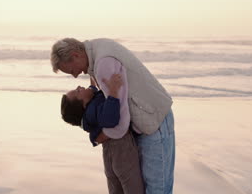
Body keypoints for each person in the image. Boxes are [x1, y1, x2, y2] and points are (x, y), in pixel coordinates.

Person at [51, 38, 175, 194]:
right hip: (148, 120)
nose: (75, 76)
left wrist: (99, 136)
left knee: (158, 190)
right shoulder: (97, 52)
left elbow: (121, 124)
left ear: (76, 55)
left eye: (70, 71)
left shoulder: (103, 64)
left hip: (154, 123)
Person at [61, 74, 144, 194]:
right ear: (83, 105)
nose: (79, 86)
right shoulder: (92, 111)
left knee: (116, 189)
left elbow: (92, 89)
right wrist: (113, 91)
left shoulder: (89, 107)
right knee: (133, 188)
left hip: (109, 154)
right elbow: (110, 118)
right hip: (121, 150)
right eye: (78, 91)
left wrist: (91, 72)